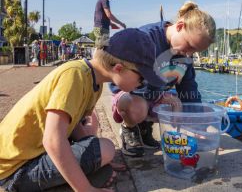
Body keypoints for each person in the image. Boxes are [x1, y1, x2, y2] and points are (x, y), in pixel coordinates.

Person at [0, 29, 166, 191]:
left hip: (30, 156)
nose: (142, 84)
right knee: (106, 148)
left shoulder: (94, 81)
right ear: (118, 68)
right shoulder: (74, 75)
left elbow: (73, 126)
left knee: (104, 163)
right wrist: (86, 188)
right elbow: (52, 140)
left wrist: (97, 157)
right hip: (14, 169)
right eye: (141, 78)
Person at [109, 0, 216, 157]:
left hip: (156, 97)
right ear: (179, 26)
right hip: (129, 94)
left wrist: (198, 128)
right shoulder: (145, 39)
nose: (189, 54)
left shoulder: (184, 56)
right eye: (190, 46)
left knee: (199, 110)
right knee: (138, 108)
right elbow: (118, 80)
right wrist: (162, 97)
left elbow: (189, 89)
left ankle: (145, 127)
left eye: (195, 52)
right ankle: (130, 128)